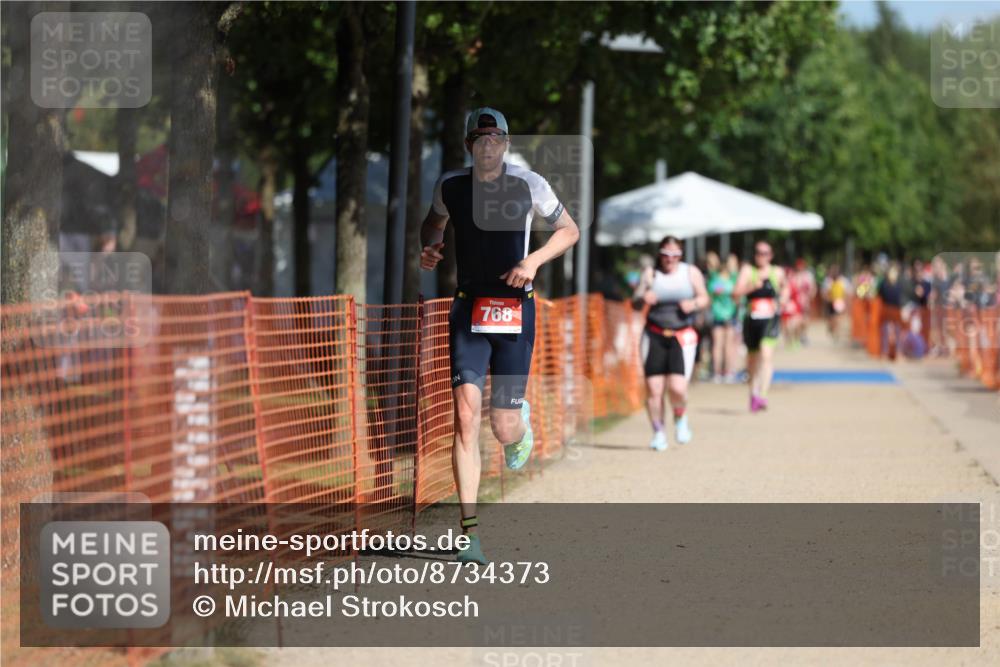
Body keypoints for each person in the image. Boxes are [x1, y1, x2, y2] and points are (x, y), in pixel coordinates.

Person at [419, 107, 580, 564]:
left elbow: (569, 231)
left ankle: (518, 422)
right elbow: (432, 222)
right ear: (469, 144)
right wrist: (429, 247)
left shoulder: (529, 184)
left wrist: (532, 262)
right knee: (464, 417)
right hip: (469, 307)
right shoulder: (450, 185)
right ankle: (468, 532)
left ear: (506, 143)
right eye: (479, 137)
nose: (487, 144)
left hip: (514, 311)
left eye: (495, 137)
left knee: (502, 425)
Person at [633, 236, 710, 451]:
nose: (670, 260)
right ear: (660, 254)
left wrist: (693, 304)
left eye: (675, 255)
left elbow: (705, 297)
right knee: (654, 389)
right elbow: (635, 303)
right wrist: (643, 297)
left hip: (681, 335)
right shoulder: (651, 273)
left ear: (681, 255)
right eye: (666, 255)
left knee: (677, 388)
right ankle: (658, 432)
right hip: (654, 334)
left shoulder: (690, 272)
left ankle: (680, 417)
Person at [734, 241, 788, 413]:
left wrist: (783, 300)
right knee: (752, 360)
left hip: (770, 319)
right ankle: (753, 393)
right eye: (758, 252)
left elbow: (786, 288)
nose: (761, 256)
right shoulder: (748, 271)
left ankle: (763, 395)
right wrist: (751, 286)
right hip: (751, 319)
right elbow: (735, 293)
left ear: (770, 255)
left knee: (766, 354)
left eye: (765, 253)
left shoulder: (777, 272)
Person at [707, 251, 739, 382]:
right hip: (729, 316)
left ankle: (717, 372)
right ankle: (728, 372)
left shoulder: (714, 279)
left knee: (718, 345)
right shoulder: (733, 280)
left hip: (717, 316)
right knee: (727, 345)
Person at [821, 264, 851, 341]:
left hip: (839, 302)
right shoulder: (828, 281)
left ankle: (835, 331)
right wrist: (828, 299)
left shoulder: (843, 281)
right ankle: (832, 328)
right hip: (830, 302)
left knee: (837, 318)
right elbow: (824, 293)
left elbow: (847, 293)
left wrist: (846, 303)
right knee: (831, 318)